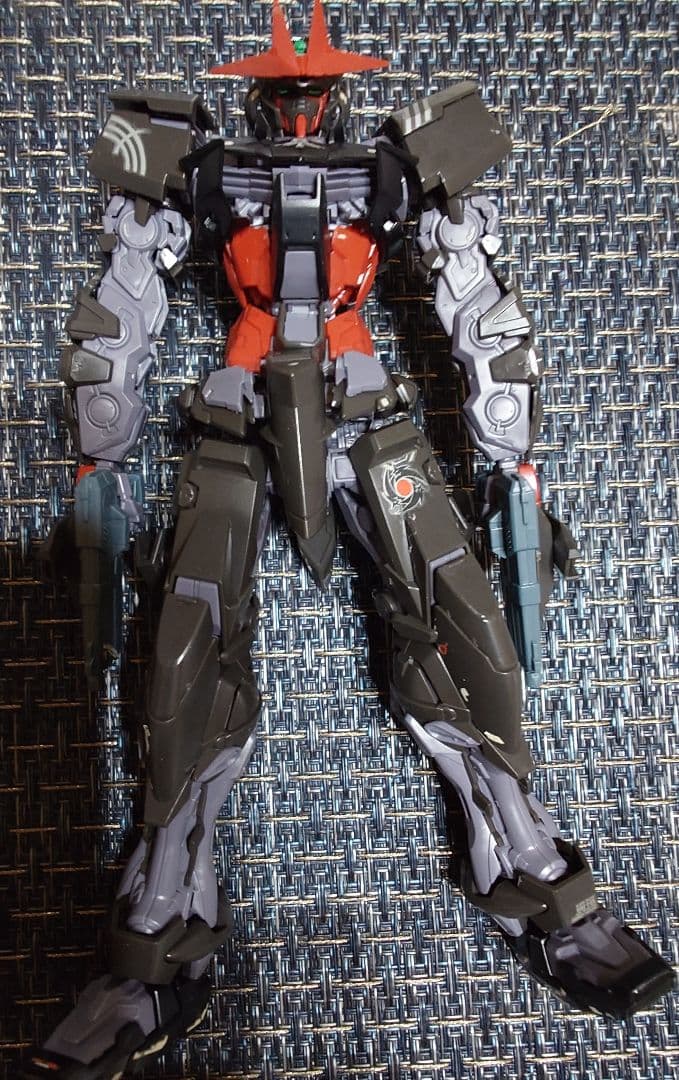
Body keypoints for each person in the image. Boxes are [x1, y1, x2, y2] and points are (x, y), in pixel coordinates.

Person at [25, 2, 675, 1076]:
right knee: (181, 664)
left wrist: (511, 459)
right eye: (283, 92)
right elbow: (119, 312)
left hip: (368, 415)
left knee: (465, 634)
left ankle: (530, 874)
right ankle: (159, 938)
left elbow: (480, 306)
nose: (298, 111)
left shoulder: (395, 171)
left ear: (338, 95)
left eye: (314, 91)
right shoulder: (200, 168)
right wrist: (102, 461)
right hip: (236, 413)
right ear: (256, 96)